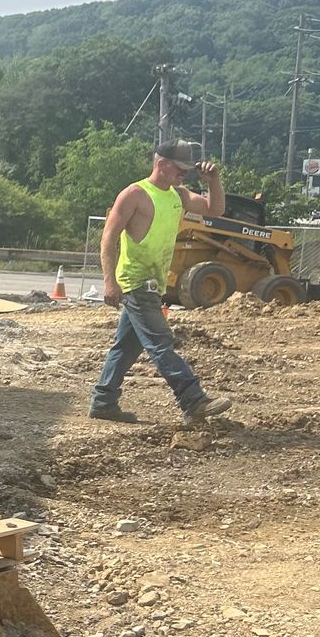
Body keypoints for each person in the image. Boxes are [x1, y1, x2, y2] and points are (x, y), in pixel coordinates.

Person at [90, 140, 235, 424]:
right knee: (160, 343)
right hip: (136, 281)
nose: (184, 174)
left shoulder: (178, 195)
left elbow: (214, 210)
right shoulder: (135, 195)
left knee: (126, 347)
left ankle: (104, 402)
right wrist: (110, 282)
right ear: (162, 164)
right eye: (180, 169)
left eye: (186, 170)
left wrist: (213, 181)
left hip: (154, 282)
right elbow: (108, 238)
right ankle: (193, 400)